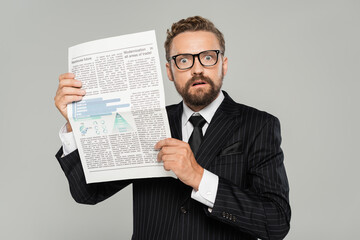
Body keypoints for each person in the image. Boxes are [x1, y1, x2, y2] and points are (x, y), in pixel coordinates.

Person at [54, 16, 291, 240]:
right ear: (169, 71)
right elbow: (88, 193)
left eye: (208, 57)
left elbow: (276, 221)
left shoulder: (259, 125)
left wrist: (199, 177)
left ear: (223, 64)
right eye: (184, 60)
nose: (197, 69)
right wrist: (74, 125)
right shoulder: (145, 122)